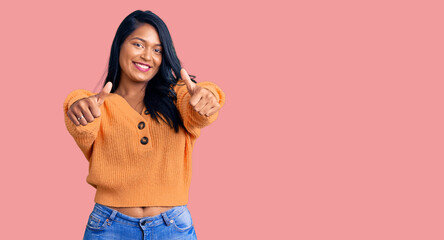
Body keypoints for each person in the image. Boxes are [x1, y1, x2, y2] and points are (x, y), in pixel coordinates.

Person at [62, 10, 225, 239]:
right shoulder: (97, 106)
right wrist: (76, 103)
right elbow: (82, 121)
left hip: (173, 228)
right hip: (109, 228)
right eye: (139, 45)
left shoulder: (177, 97)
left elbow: (198, 109)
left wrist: (208, 94)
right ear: (120, 45)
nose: (148, 56)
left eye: (157, 50)